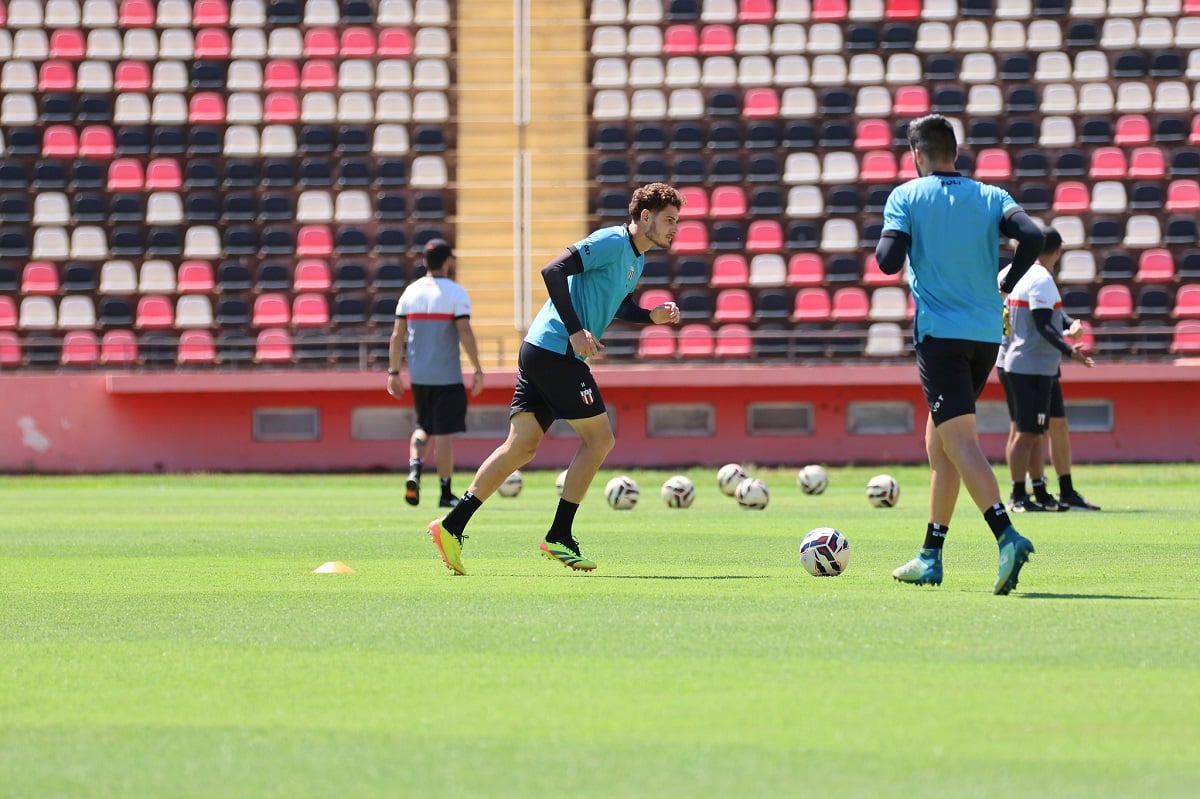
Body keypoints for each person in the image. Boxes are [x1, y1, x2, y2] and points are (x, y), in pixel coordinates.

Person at [427, 183, 685, 575]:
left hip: (541, 349)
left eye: (677, 222)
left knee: (521, 447)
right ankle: (560, 535)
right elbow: (553, 270)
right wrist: (575, 329)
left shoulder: (636, 258)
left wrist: (649, 316)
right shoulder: (611, 242)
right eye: (669, 220)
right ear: (645, 217)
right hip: (556, 351)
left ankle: (450, 526)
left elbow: (619, 305)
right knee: (600, 440)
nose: (674, 228)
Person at [875, 114, 1045, 595]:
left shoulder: (907, 196)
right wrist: (1008, 282)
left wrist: (900, 239)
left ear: (916, 155)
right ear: (955, 151)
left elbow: (888, 261)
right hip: (985, 335)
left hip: (941, 336)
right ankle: (930, 554)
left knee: (961, 441)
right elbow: (1031, 236)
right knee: (940, 444)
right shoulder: (992, 196)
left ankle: (1006, 535)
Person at [1001, 227, 1100, 512]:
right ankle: (1021, 494)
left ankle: (1043, 491)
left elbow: (1044, 315)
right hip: (1032, 363)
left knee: (1038, 428)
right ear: (1057, 251)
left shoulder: (1010, 273)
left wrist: (1068, 324)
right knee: (1029, 432)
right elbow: (1043, 322)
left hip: (1016, 359)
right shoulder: (1041, 279)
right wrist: (1071, 351)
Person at [386, 239, 484, 509]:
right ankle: (445, 492)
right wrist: (477, 367)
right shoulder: (455, 292)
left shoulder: (410, 292)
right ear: (447, 261)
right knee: (444, 435)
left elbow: (397, 336)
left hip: (419, 375)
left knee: (422, 427)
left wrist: (394, 372)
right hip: (447, 376)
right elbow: (464, 331)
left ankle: (415, 470)